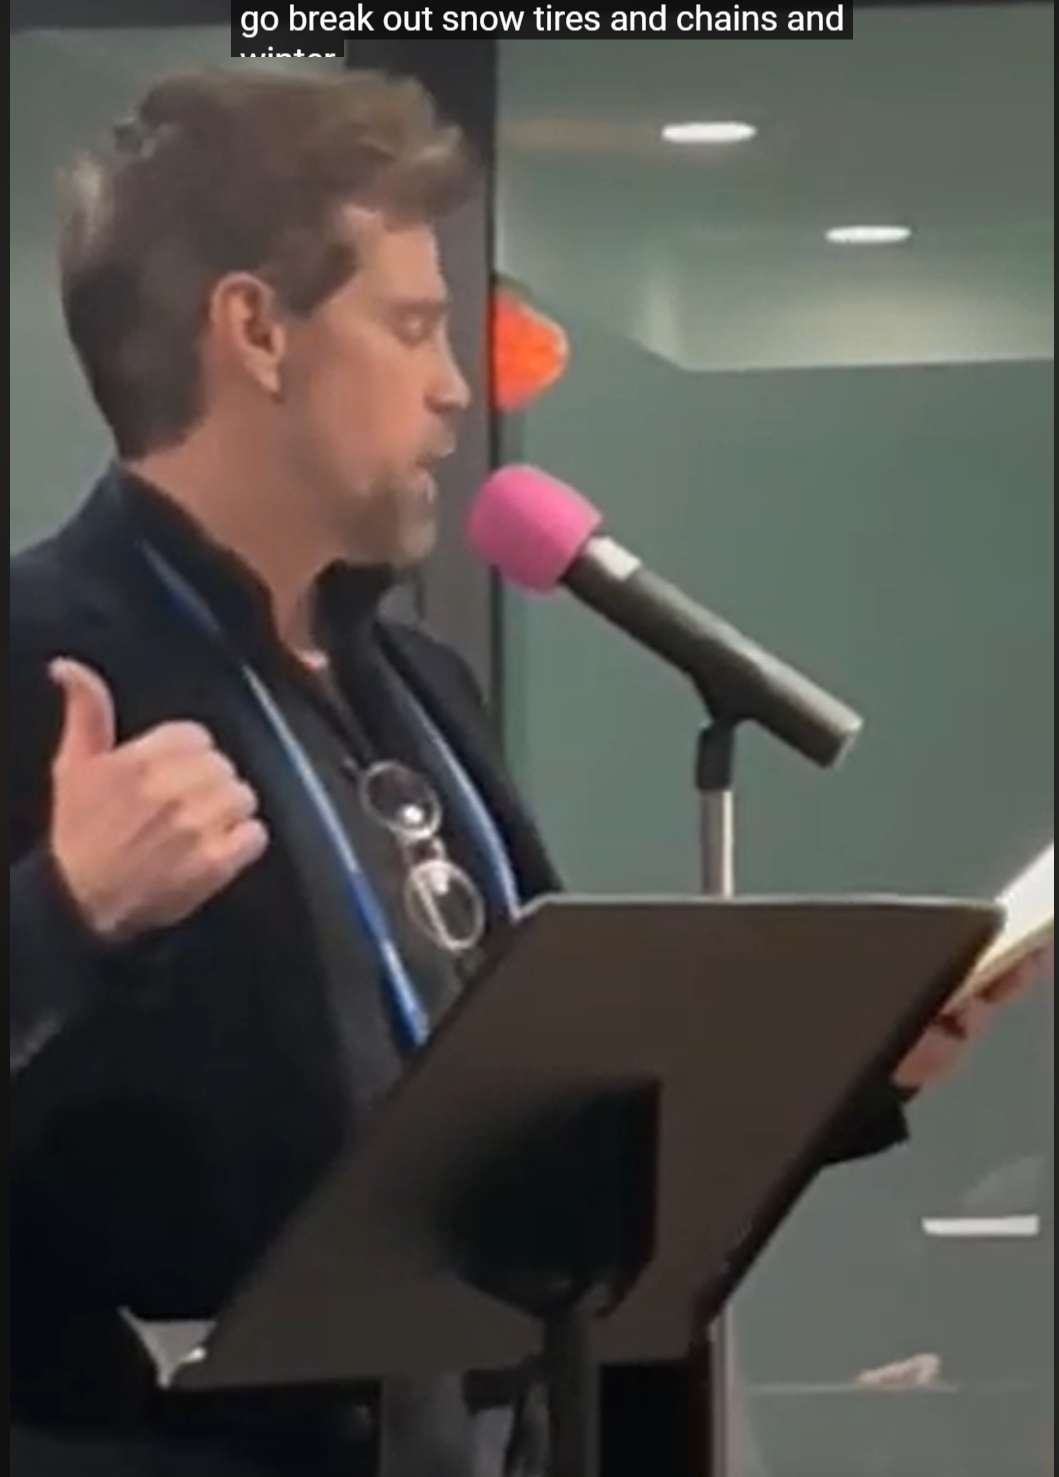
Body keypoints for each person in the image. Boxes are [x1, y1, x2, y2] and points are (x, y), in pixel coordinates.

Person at [8, 67, 1035, 1477]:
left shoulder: (425, 685)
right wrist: (64, 913)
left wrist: (849, 1071)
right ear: (256, 330)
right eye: (412, 325)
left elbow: (531, 1144)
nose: (454, 386)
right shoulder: (38, 662)